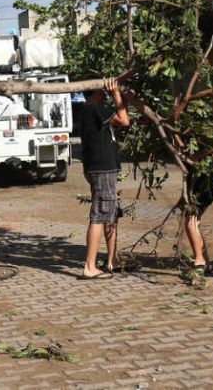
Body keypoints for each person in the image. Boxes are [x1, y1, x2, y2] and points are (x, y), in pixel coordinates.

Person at [79, 78, 130, 279]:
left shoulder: (91, 108)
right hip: (102, 169)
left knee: (111, 213)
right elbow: (124, 120)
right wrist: (116, 94)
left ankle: (112, 260)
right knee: (100, 213)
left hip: (102, 168)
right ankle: (89, 266)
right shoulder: (93, 107)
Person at [183, 141, 213, 276]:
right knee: (194, 221)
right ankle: (205, 260)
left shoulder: (200, 129)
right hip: (194, 179)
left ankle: (199, 259)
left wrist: (205, 151)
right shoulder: (179, 131)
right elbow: (184, 157)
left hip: (206, 180)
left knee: (191, 220)